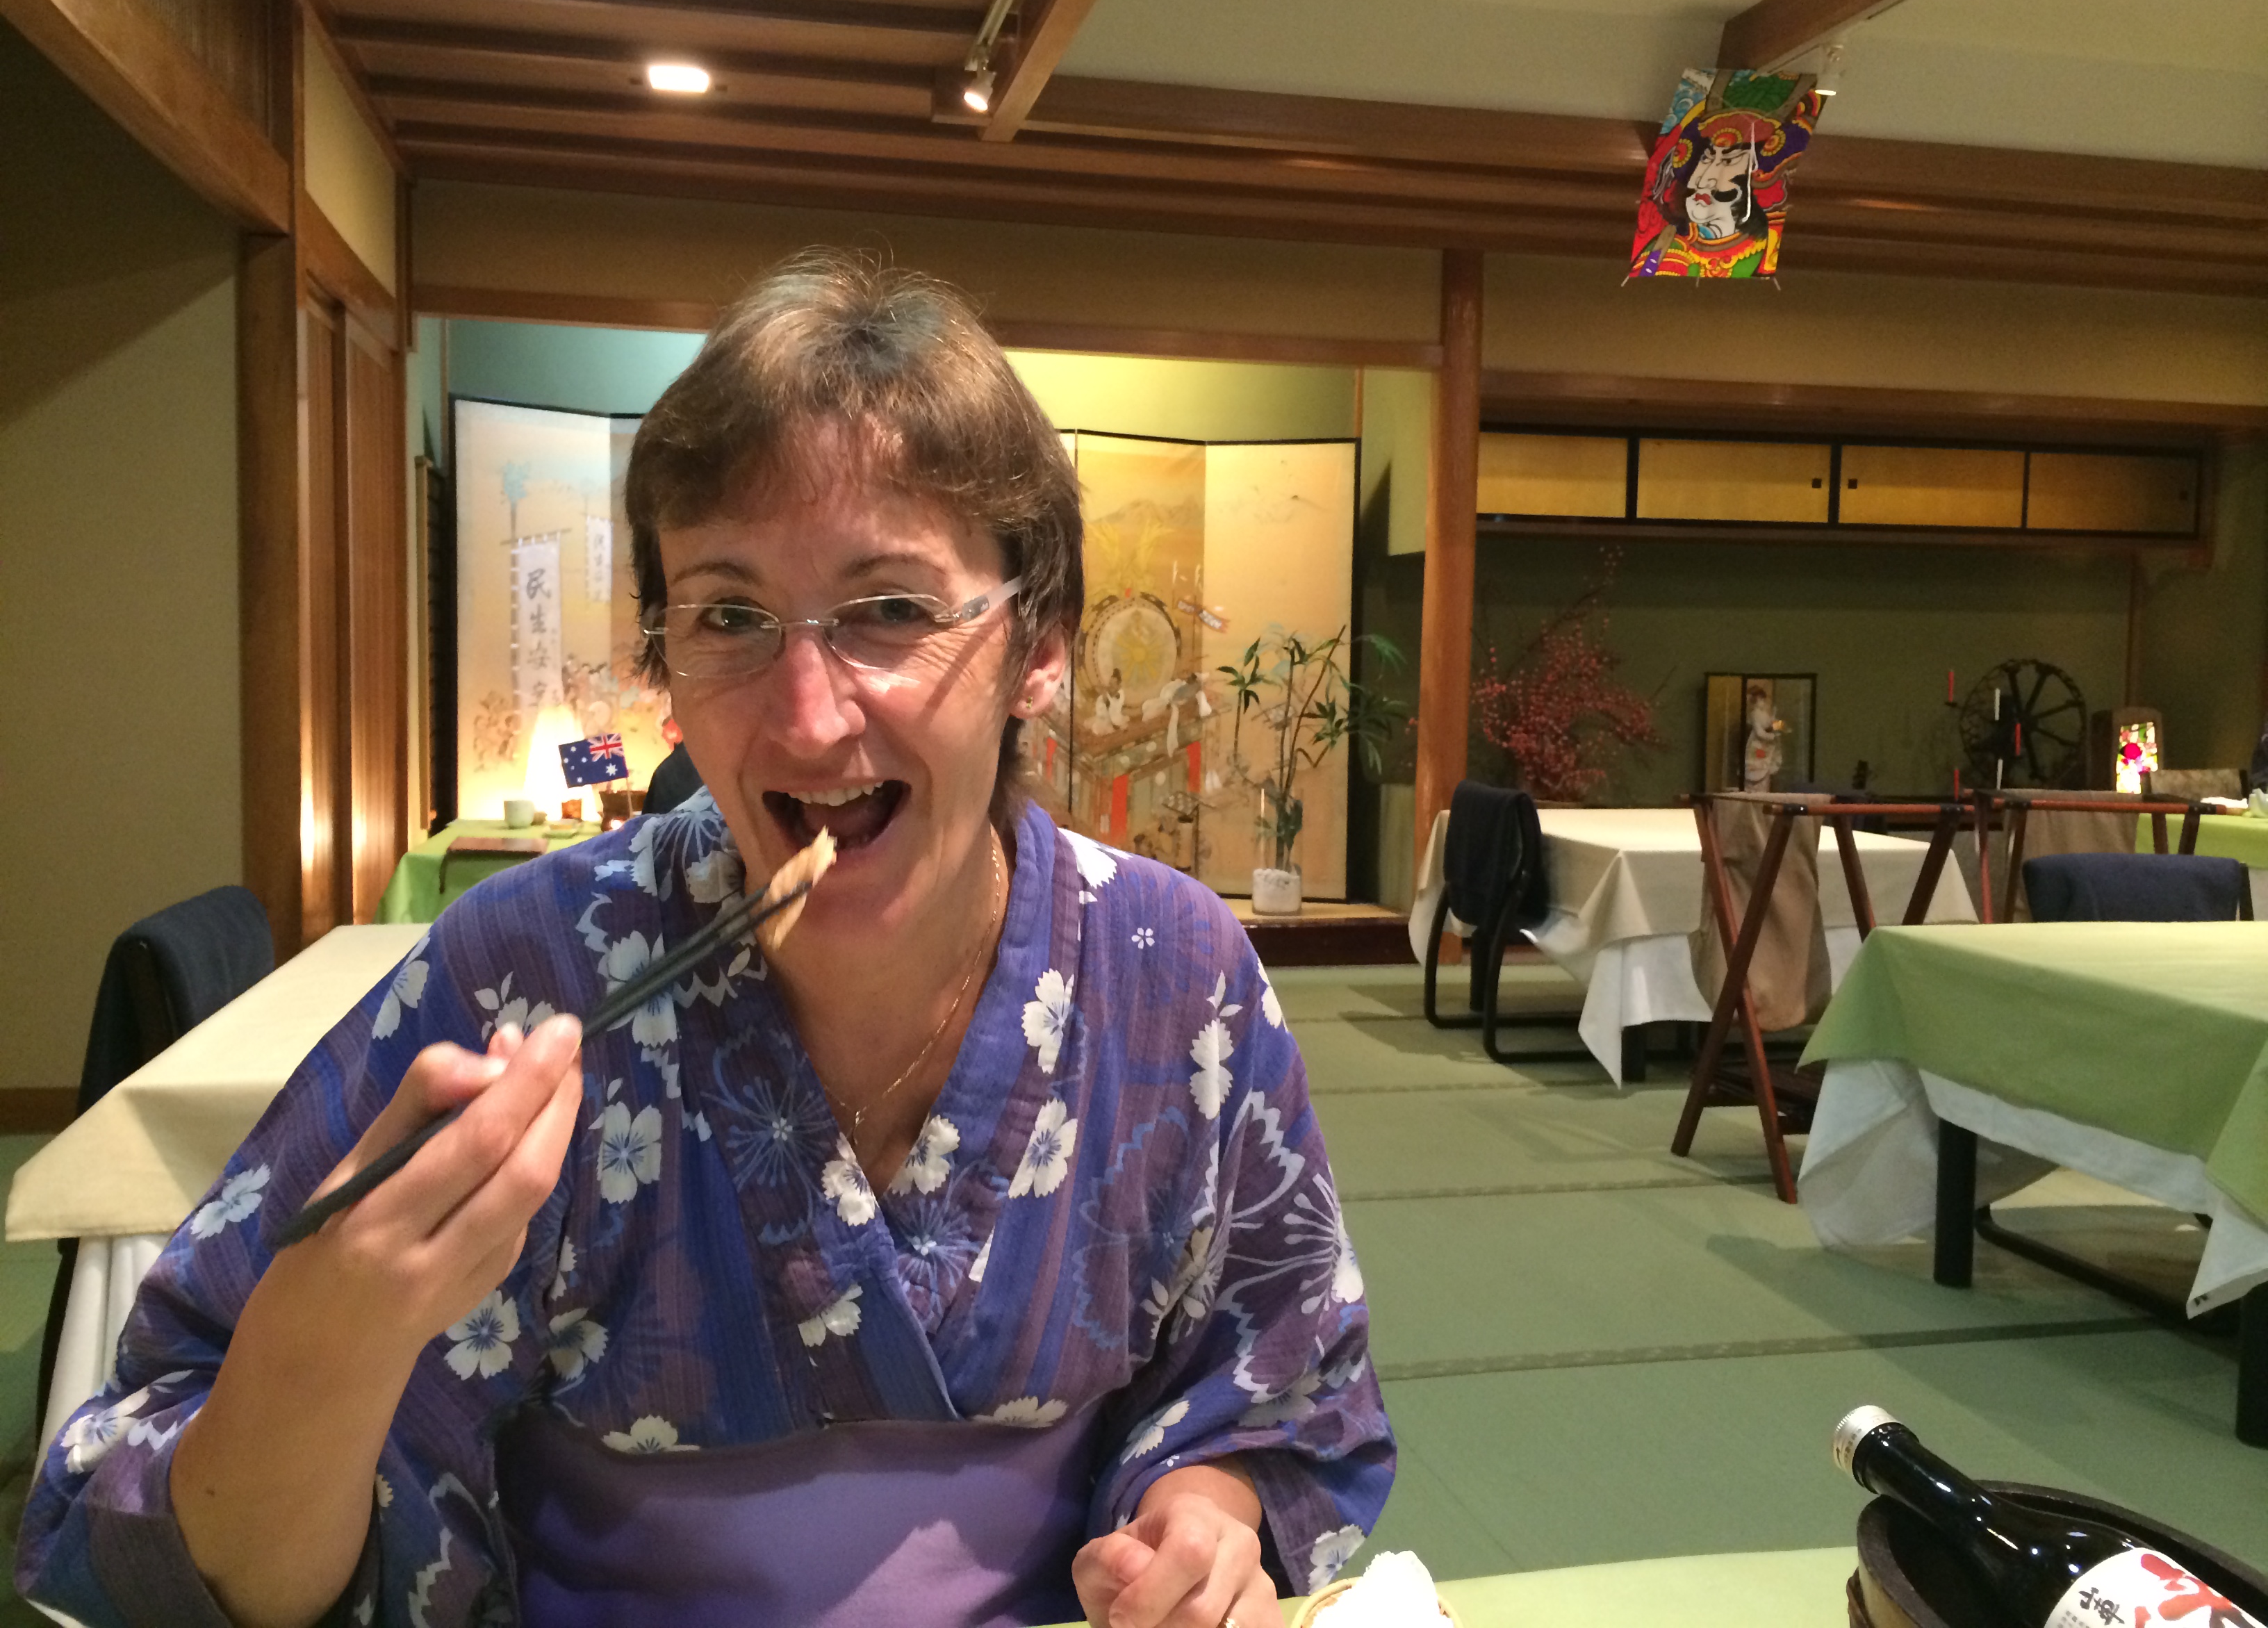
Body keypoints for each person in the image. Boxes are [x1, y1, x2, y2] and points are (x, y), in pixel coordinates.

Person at [19, 254, 1393, 1627]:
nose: (807, 716)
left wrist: (1206, 1512)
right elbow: (160, 1507)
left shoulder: (1175, 974)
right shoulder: (528, 968)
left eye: (892, 610)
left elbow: (1278, 1390)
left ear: (1040, 646)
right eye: (730, 615)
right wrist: (329, 1349)